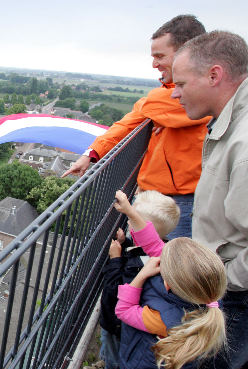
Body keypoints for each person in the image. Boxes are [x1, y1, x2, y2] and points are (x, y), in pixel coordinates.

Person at [63, 15, 209, 239]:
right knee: (148, 255)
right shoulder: (166, 96)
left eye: (160, 56)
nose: (154, 64)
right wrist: (92, 153)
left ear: (186, 53)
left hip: (180, 200)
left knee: (170, 264)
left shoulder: (195, 92)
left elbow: (144, 108)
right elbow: (130, 121)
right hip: (156, 195)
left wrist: (153, 109)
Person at [169, 31, 248, 369]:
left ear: (214, 75)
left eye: (181, 82)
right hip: (224, 287)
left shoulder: (245, 141)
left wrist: (214, 284)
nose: (174, 92)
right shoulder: (231, 123)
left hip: (230, 294)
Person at [84, 190, 179, 369]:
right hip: (126, 325)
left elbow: (115, 292)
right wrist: (126, 243)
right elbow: (144, 245)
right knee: (111, 349)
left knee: (115, 350)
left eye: (131, 221)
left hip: (119, 323)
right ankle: (108, 365)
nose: (128, 224)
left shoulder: (140, 265)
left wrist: (115, 259)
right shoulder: (159, 251)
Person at [112, 238, 227, 369]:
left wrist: (142, 274)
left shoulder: (162, 319)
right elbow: (161, 250)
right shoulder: (210, 300)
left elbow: (123, 310)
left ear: (168, 284)